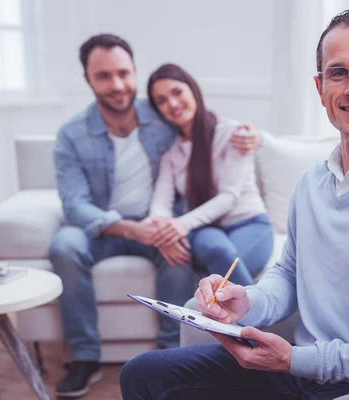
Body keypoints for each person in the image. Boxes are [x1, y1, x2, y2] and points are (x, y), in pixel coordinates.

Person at [120, 9, 349, 400]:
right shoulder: (312, 183)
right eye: (338, 73)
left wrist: (295, 361)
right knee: (144, 374)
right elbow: (290, 274)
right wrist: (246, 301)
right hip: (301, 372)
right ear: (320, 89)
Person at [50, 34, 259, 398]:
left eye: (123, 73)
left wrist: (251, 136)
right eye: (104, 76)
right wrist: (133, 230)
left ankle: (170, 349)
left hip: (157, 225)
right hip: (104, 228)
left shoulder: (161, 114)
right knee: (65, 244)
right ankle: (84, 357)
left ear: (134, 72)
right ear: (88, 80)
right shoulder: (71, 135)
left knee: (176, 247)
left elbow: (206, 125)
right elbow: (74, 206)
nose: (117, 85)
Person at [146, 63, 274, 287]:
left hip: (249, 224)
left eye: (177, 92)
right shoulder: (171, 154)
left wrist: (181, 225)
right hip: (208, 231)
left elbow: (229, 197)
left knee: (222, 276)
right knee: (213, 247)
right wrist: (162, 229)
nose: (172, 104)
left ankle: (250, 317)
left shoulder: (233, 134)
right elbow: (161, 203)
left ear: (192, 90)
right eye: (162, 101)